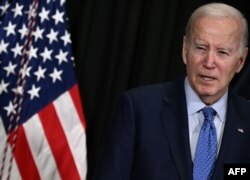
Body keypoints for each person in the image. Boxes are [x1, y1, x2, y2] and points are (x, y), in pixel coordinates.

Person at [94, 2, 250, 180]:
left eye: (222, 52)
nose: (209, 62)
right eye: (200, 48)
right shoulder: (139, 110)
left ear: (240, 61)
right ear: (185, 49)